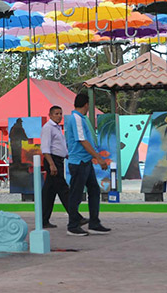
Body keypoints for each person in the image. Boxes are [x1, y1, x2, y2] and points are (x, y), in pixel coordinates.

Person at [65, 93, 111, 236]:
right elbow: (83, 141)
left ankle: (94, 223)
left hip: (85, 161)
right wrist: (99, 157)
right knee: (76, 194)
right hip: (79, 162)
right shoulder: (77, 119)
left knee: (94, 190)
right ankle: (72, 226)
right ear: (86, 104)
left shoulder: (80, 119)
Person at [40, 106, 85, 229]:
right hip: (52, 161)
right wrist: (51, 164)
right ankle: (76, 217)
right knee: (64, 190)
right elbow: (45, 148)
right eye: (56, 113)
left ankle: (43, 220)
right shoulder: (48, 128)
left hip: (59, 160)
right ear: (50, 115)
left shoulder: (58, 128)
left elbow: (59, 146)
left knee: (49, 193)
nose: (59, 116)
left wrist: (66, 155)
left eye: (60, 113)